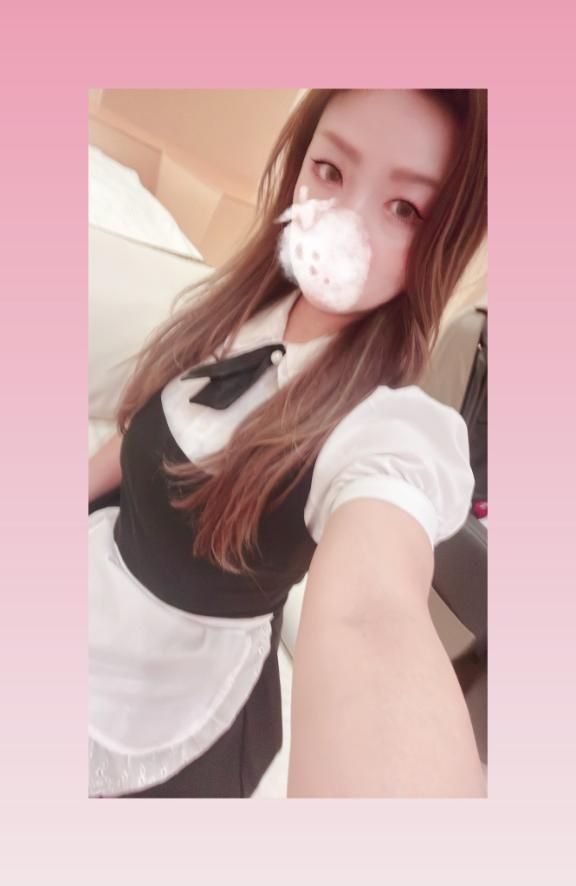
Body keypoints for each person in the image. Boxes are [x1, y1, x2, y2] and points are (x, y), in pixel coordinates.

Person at [88, 88, 488, 798]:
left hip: (168, 699)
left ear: (442, 243)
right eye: (331, 171)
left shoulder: (383, 427)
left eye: (405, 208)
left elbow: (372, 614)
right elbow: (130, 443)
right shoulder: (235, 310)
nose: (344, 222)